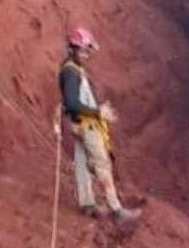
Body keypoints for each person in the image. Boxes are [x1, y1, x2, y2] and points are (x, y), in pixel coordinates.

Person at [58, 28, 141, 223]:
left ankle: (88, 205)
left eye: (88, 52)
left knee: (82, 164)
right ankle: (117, 210)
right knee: (102, 165)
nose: (87, 55)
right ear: (73, 49)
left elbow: (72, 103)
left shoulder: (71, 69)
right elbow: (72, 103)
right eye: (84, 51)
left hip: (80, 125)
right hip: (88, 127)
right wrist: (98, 112)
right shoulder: (71, 73)